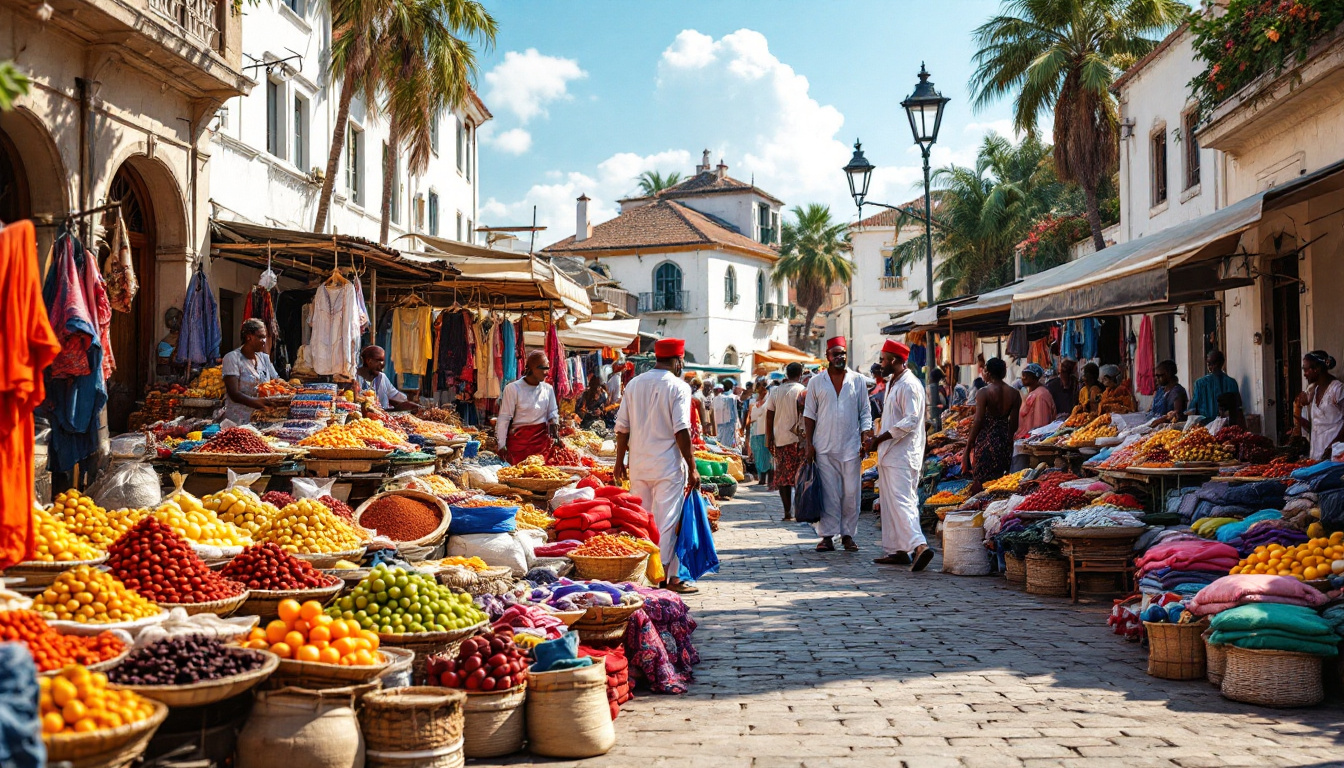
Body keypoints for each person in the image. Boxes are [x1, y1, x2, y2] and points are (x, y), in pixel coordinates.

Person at [614, 338, 700, 594]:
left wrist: (620, 462)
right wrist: (692, 465)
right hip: (667, 468)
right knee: (666, 522)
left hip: (639, 464)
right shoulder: (679, 387)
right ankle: (658, 577)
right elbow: (681, 430)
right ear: (678, 361)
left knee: (642, 521)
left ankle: (658, 575)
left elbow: (622, 428)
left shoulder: (634, 384)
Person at [803, 337, 873, 553]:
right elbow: (809, 414)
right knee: (829, 494)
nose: (840, 357)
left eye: (843, 353)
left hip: (851, 447)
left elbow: (865, 411)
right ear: (828, 357)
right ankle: (827, 536)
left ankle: (848, 535)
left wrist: (865, 436)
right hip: (823, 446)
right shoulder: (816, 382)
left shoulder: (858, 380)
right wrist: (809, 444)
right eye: (836, 354)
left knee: (851, 493)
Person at [871, 340, 932, 571]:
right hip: (889, 453)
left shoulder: (909, 385)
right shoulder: (892, 383)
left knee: (903, 502)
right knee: (890, 504)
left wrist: (880, 437)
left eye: (884, 359)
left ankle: (919, 546)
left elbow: (911, 420)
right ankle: (898, 550)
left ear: (895, 360)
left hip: (903, 455)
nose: (881, 363)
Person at [962, 357, 1019, 496]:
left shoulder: (983, 392)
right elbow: (1014, 424)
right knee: (1000, 484)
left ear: (988, 372)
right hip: (1003, 441)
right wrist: (1008, 443)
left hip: (985, 442)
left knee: (982, 485)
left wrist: (969, 445)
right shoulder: (1014, 394)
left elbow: (979, 420)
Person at [496, 350, 560, 464]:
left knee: (540, 474)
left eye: (548, 368)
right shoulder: (513, 388)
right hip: (518, 444)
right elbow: (504, 418)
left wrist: (554, 424)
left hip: (541, 444)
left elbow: (552, 412)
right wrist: (501, 445)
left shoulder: (548, 389)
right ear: (532, 368)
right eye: (543, 368)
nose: (546, 373)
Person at [767, 362, 806, 521]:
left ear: (787, 374)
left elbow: (769, 415)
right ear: (800, 374)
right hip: (798, 440)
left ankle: (787, 512)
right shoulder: (802, 391)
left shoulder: (775, 391)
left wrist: (768, 438)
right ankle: (799, 511)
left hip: (780, 439)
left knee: (783, 477)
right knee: (799, 477)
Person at [222, 318, 280, 424]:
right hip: (238, 420)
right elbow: (233, 393)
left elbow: (277, 382)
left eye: (265, 337)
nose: (264, 341)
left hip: (261, 418)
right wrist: (256, 402)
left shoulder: (264, 358)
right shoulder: (232, 358)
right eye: (260, 337)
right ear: (249, 337)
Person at [1296, 350, 1344, 461]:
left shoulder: (1337, 389)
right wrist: (1299, 420)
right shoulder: (1315, 390)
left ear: (1317, 369)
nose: (1304, 374)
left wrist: (1332, 447)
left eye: (1306, 369)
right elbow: (1320, 426)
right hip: (1317, 457)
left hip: (1335, 458)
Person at [354, 345, 420, 412]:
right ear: (369, 361)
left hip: (383, 417)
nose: (382, 366)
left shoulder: (381, 377)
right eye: (379, 361)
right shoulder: (354, 379)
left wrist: (406, 403)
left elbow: (394, 395)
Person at [1189, 350, 1240, 425]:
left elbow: (1237, 405)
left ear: (1221, 363)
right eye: (1210, 364)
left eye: (1214, 363)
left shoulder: (1231, 383)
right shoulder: (1200, 383)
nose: (1213, 366)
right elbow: (1193, 407)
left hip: (1223, 425)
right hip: (1210, 425)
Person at [1016, 363, 1056, 439]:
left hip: (1034, 441)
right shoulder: (1033, 393)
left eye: (1027, 375)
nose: (1023, 378)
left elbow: (1040, 426)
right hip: (1027, 439)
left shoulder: (1041, 395)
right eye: (1023, 375)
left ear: (1035, 377)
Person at [745, 379, 773, 486]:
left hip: (765, 431)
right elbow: (749, 418)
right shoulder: (753, 403)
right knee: (757, 454)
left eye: (764, 386)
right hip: (755, 432)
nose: (762, 389)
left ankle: (769, 479)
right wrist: (746, 434)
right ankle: (761, 478)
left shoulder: (770, 401)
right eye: (759, 386)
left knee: (767, 456)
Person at [712, 380, 740, 449]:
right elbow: (735, 412)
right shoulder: (732, 397)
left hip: (720, 424)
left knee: (720, 444)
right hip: (729, 424)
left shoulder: (715, 398)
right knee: (727, 445)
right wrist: (737, 424)